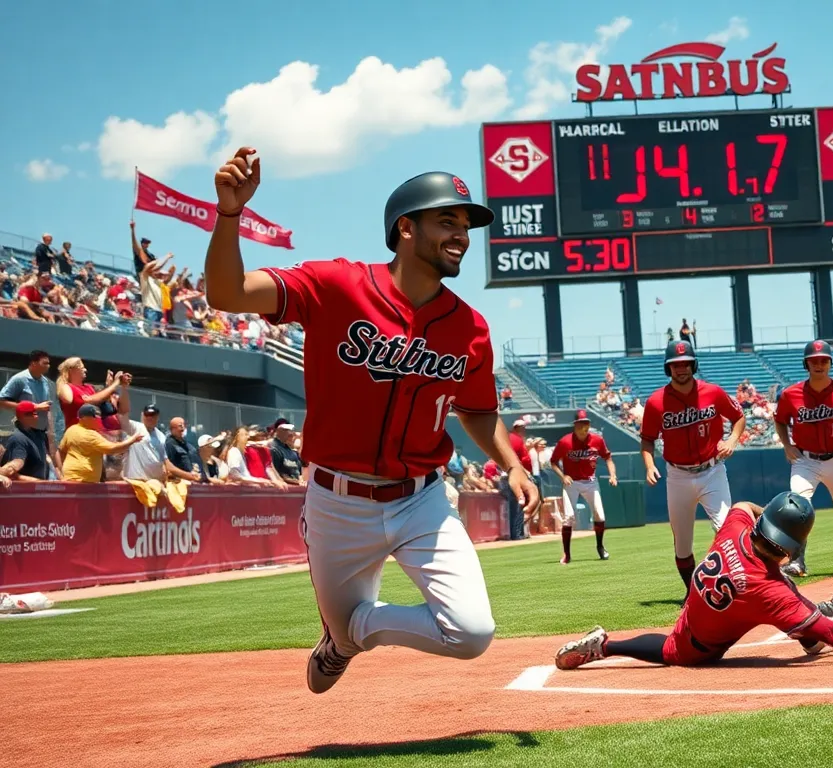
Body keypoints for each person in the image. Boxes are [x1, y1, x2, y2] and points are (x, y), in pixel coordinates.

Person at [205, 146, 540, 695]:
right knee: (338, 634)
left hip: (421, 499)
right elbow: (226, 293)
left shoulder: (471, 327)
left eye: (466, 224)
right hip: (338, 501)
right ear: (405, 227)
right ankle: (341, 636)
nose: (461, 234)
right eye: (447, 220)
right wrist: (229, 215)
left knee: (472, 632)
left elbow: (477, 411)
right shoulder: (336, 285)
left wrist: (513, 465)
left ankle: (351, 631)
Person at [553, 492, 833, 670]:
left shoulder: (735, 527)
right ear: (791, 547)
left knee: (796, 616)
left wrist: (768, 508)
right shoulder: (769, 589)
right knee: (671, 650)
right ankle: (606, 647)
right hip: (699, 647)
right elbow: (832, 636)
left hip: (698, 609)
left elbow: (740, 505)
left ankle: (605, 644)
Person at [640, 340, 746, 600]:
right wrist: (650, 464)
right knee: (683, 543)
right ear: (669, 368)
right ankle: (693, 594)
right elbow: (647, 439)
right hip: (677, 475)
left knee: (726, 529)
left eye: (686, 363)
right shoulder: (656, 402)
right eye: (675, 365)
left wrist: (732, 440)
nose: (681, 369)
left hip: (712, 471)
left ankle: (736, 585)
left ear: (693, 364)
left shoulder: (713, 392)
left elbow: (739, 417)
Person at [773, 340, 833, 577]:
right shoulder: (790, 394)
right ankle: (797, 561)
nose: (819, 364)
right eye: (814, 360)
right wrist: (787, 445)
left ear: (830, 363)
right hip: (805, 460)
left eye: (824, 360)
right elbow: (780, 419)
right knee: (797, 505)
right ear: (806, 364)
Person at [550, 410, 617, 563]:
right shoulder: (565, 442)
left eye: (586, 423)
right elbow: (553, 462)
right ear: (575, 426)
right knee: (569, 517)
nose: (584, 426)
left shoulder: (597, 440)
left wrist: (613, 475)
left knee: (600, 515)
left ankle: (600, 546)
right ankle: (566, 554)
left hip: (590, 481)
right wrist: (563, 476)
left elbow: (608, 458)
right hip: (571, 483)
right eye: (581, 423)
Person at [0, 350, 64, 480]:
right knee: (19, 467)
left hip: (40, 434)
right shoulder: (19, 379)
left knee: (39, 471)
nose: (48, 366)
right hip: (22, 431)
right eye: (44, 363)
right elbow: (2, 401)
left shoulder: (46, 383)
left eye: (49, 363)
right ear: (33, 363)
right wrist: (34, 407)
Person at [59, 404, 144, 483]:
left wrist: (63, 469)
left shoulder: (71, 430)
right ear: (84, 418)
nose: (98, 420)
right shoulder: (91, 435)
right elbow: (112, 449)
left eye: (99, 417)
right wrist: (132, 440)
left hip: (69, 476)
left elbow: (62, 451)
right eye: (95, 417)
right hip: (83, 481)